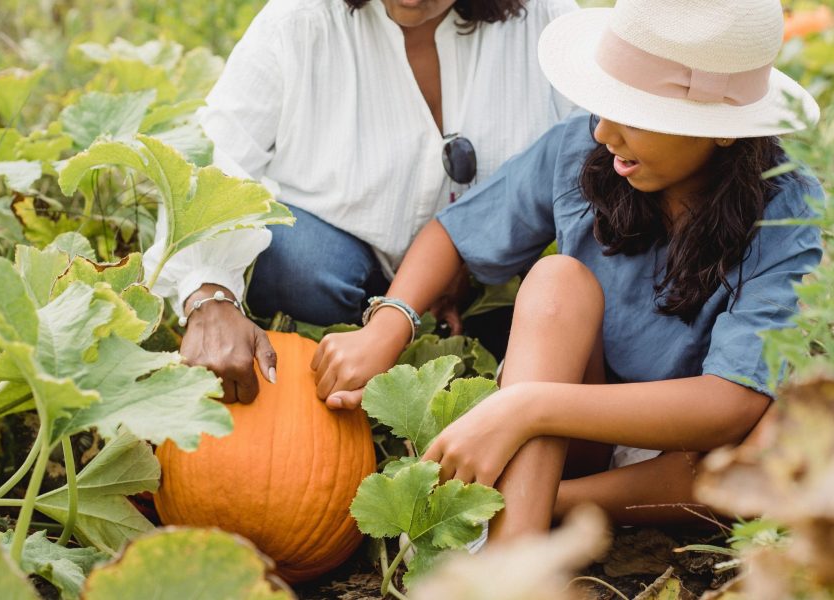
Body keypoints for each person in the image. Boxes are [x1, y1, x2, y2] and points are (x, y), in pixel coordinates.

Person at [311, 0, 823, 541]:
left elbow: (730, 403)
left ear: (724, 129)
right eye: (604, 104)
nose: (604, 131)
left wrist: (528, 406)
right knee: (559, 280)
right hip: (578, 431)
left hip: (694, 459)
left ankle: (545, 506)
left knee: (795, 425)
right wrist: (389, 322)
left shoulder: (784, 205)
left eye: (634, 114)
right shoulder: (582, 149)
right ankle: (513, 558)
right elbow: (454, 234)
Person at [141, 0, 579, 404]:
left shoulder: (547, 24)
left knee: (546, 304)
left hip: (482, 286)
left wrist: (468, 258)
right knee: (295, 263)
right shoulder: (299, 20)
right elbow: (216, 157)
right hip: (339, 271)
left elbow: (600, 159)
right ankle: (358, 347)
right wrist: (208, 292)